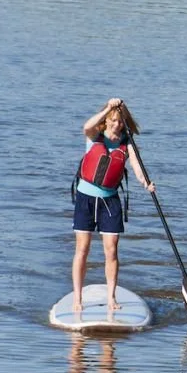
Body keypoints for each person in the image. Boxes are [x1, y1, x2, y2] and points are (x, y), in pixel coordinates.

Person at [71, 98, 155, 312]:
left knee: (111, 251)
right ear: (107, 120)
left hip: (110, 201)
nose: (117, 124)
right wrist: (109, 108)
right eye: (113, 120)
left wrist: (146, 183)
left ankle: (111, 298)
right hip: (86, 198)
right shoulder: (94, 136)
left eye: (120, 121)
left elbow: (136, 166)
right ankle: (77, 299)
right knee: (82, 249)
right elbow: (86, 126)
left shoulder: (127, 144)